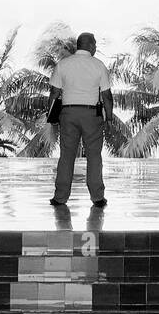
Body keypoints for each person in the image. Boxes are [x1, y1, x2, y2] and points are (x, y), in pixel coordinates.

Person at [48, 32, 114, 208]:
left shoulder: (63, 64)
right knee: (94, 156)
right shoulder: (99, 66)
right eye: (95, 44)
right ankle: (97, 197)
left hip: (68, 114)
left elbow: (54, 93)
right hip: (91, 115)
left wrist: (52, 116)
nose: (96, 47)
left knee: (66, 156)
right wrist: (109, 118)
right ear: (91, 46)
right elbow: (107, 96)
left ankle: (60, 197)